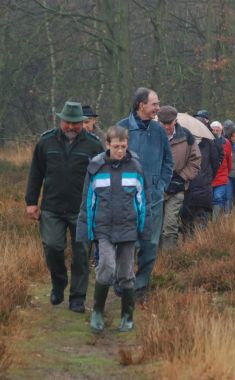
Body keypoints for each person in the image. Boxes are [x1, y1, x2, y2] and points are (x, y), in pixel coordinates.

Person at [25, 101, 103, 312]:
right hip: (52, 208)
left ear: (82, 123)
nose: (70, 127)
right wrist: (31, 202)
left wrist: (102, 206)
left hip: (82, 209)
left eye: (75, 123)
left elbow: (102, 178)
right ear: (61, 121)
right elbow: (36, 173)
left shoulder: (94, 145)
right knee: (52, 246)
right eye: (67, 123)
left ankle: (77, 298)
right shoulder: (46, 142)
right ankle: (58, 283)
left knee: (81, 254)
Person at [76, 126, 150, 332]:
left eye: (124, 146)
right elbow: (87, 202)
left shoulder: (135, 167)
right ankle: (97, 312)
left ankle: (127, 316)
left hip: (128, 228)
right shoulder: (95, 168)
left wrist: (144, 230)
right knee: (106, 267)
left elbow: (143, 201)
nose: (120, 151)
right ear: (107, 145)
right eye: (116, 146)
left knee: (126, 273)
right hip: (104, 228)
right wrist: (86, 232)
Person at [117, 87, 173, 300]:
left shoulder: (159, 130)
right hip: (125, 200)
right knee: (127, 244)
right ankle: (123, 284)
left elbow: (168, 161)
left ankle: (141, 288)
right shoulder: (121, 128)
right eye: (155, 104)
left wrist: (161, 185)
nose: (158, 108)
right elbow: (109, 160)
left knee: (149, 245)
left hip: (154, 199)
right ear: (142, 105)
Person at [157, 106, 201, 249]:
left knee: (170, 226)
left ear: (175, 121)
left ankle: (169, 264)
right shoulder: (151, 135)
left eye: (168, 123)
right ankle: (153, 263)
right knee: (154, 227)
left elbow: (195, 161)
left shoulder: (186, 136)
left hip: (177, 187)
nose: (165, 127)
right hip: (155, 187)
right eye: (162, 123)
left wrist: (181, 179)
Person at [181, 136, 219, 236]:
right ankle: (192, 244)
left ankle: (198, 243)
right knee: (188, 216)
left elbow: (216, 164)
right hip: (191, 186)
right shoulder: (207, 143)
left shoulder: (208, 143)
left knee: (199, 215)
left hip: (199, 185)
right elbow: (215, 165)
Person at [210, 121, 232, 219]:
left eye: (217, 129)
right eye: (213, 129)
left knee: (218, 197)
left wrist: (227, 172)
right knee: (210, 198)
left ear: (221, 130)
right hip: (210, 176)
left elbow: (229, 160)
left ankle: (215, 222)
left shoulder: (226, 143)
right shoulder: (208, 141)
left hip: (222, 175)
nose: (215, 131)